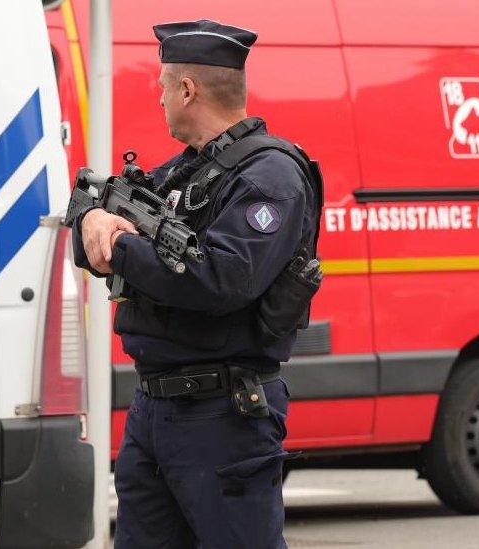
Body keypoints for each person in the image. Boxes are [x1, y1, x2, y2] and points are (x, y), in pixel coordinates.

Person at [72, 19, 315, 548]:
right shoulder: (184, 173)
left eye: (163, 86)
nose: (158, 98)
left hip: (223, 414)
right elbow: (97, 221)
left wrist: (119, 246)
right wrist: (92, 222)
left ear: (187, 89)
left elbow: (222, 279)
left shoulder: (269, 176)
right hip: (157, 408)